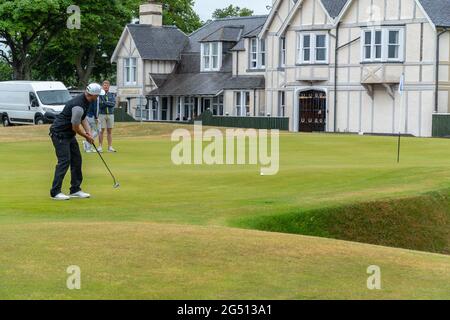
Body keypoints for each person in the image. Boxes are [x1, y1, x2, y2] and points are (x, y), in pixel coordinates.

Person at [49, 83, 103, 201]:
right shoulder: (78, 105)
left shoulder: (87, 102)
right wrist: (86, 136)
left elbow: (83, 119)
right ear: (92, 95)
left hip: (69, 134)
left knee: (77, 160)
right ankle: (55, 192)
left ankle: (75, 189)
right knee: (64, 161)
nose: (98, 97)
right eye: (97, 95)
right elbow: (75, 127)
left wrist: (88, 132)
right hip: (59, 134)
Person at [98, 80, 116, 153]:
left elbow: (113, 104)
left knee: (109, 131)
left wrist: (105, 103)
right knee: (101, 131)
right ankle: (100, 146)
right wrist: (108, 103)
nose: (106, 87)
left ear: (109, 86)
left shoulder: (111, 95)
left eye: (107, 85)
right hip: (102, 114)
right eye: (104, 85)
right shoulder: (99, 95)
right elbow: (101, 105)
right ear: (102, 86)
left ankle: (110, 147)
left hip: (110, 114)